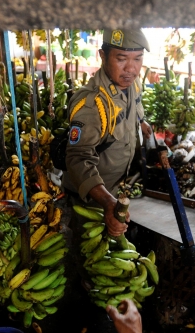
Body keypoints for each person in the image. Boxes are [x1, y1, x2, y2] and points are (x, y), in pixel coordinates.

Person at [62, 28, 152, 237]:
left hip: (114, 188)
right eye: (121, 59)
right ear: (103, 56)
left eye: (138, 59)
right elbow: (77, 158)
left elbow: (136, 103)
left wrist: (142, 121)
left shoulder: (131, 84)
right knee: (88, 250)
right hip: (91, 198)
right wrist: (107, 202)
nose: (131, 68)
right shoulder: (92, 104)